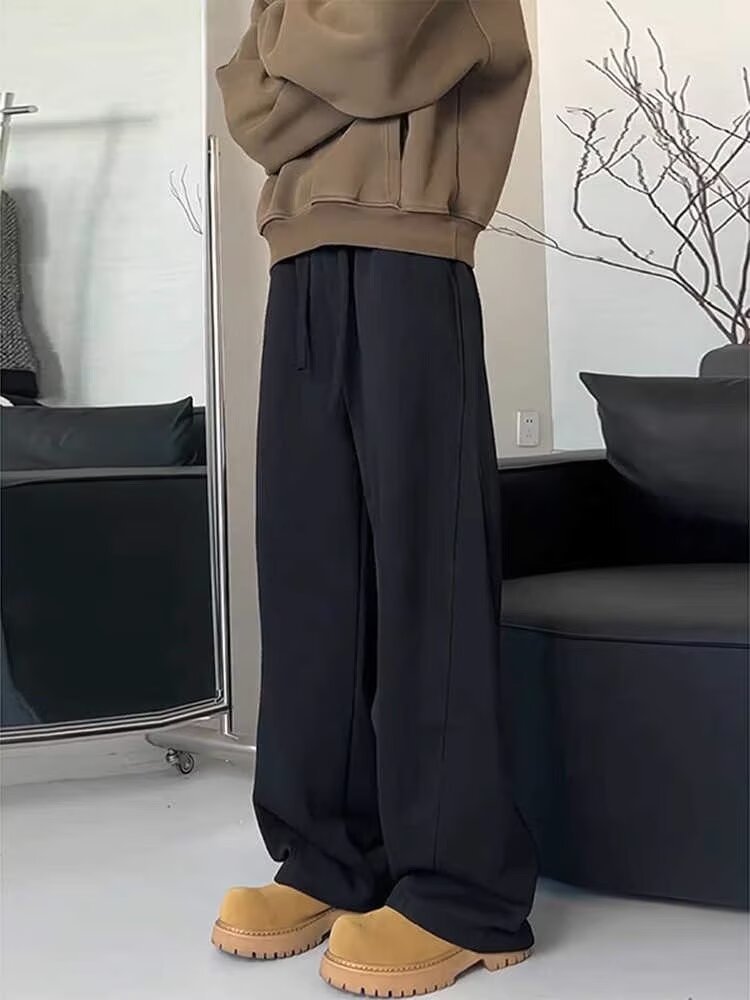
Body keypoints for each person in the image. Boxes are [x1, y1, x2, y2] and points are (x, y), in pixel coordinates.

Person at [212, 1, 538, 995]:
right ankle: (328, 855)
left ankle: (465, 893)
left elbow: (380, 47)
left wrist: (288, 49)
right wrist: (309, 55)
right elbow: (248, 107)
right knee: (308, 568)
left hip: (414, 252)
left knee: (427, 567)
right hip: (298, 260)